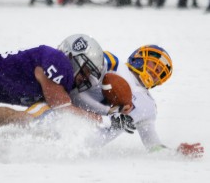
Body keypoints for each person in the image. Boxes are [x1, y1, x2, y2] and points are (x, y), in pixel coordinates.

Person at [70, 45, 204, 157]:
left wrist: (176, 153)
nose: (156, 71)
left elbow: (153, 145)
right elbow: (73, 71)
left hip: (85, 144)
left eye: (161, 73)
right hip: (65, 108)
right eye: (155, 64)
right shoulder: (112, 63)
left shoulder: (148, 105)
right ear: (139, 57)